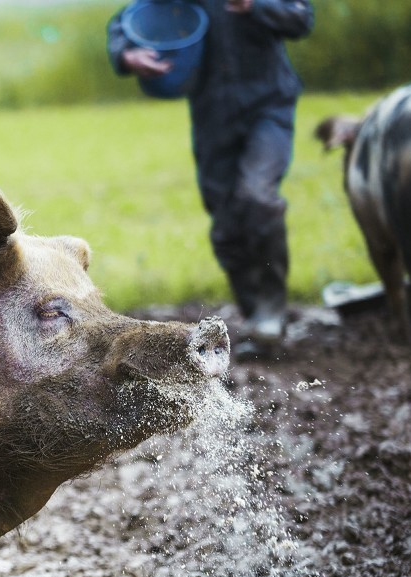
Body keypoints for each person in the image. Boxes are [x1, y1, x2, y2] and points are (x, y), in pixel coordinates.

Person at [108, 0, 314, 358]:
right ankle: (259, 323)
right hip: (213, 116)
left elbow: (301, 18)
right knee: (226, 226)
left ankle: (272, 310)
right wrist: (128, 56)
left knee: (257, 196)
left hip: (269, 107)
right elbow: (128, 20)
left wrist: (254, 5)